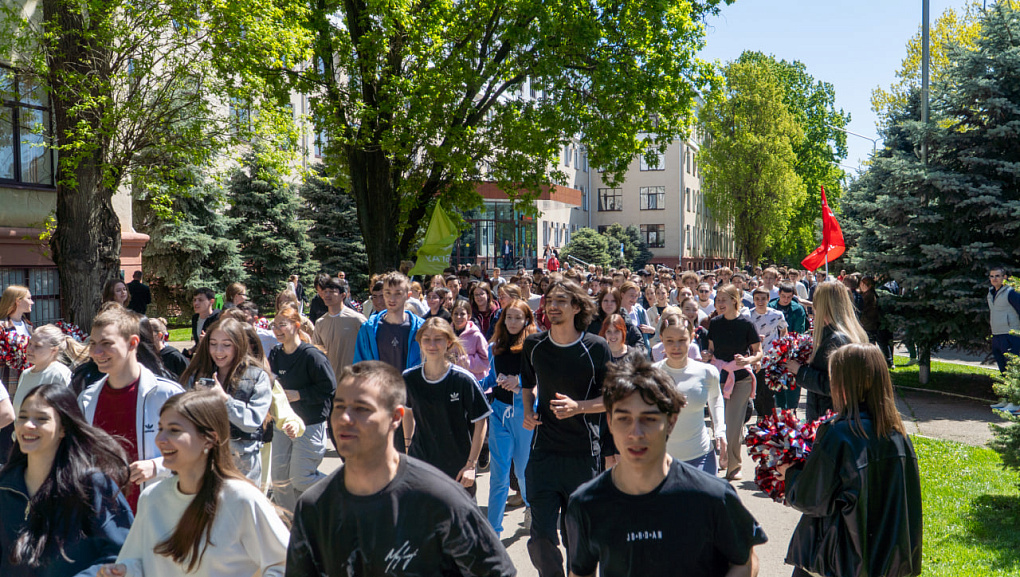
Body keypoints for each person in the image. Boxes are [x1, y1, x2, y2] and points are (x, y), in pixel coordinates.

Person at [286, 361, 515, 575]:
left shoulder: (439, 497)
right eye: (339, 406)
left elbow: (497, 571)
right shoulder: (314, 506)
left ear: (396, 417)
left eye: (362, 408)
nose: (345, 418)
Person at [565, 354, 766, 577]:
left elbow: (745, 561)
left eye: (649, 419)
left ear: (670, 421)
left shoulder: (712, 495)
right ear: (610, 423)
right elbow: (581, 573)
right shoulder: (586, 503)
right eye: (624, 419)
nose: (635, 433)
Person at [99, 390, 289, 577]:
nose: (160, 439)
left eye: (174, 430)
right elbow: (139, 561)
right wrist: (123, 571)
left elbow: (287, 564)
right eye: (160, 429)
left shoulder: (242, 499)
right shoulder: (152, 498)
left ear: (209, 439)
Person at [778, 344, 922, 577]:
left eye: (834, 378)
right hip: (886, 563)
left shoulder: (838, 434)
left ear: (846, 384)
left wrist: (790, 475)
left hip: (839, 562)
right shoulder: (898, 435)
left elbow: (811, 499)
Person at [522, 279, 612, 577]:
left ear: (577, 306)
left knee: (579, 539)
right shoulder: (534, 345)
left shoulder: (596, 348)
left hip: (583, 455)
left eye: (561, 301)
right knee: (540, 538)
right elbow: (528, 383)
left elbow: (612, 399)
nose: (553, 306)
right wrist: (527, 410)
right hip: (543, 454)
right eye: (549, 300)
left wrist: (580, 407)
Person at [0, 385, 134, 577]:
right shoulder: (5, 486)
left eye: (41, 419)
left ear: (63, 428)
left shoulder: (92, 486)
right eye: (22, 417)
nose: (28, 425)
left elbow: (122, 553)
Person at [79, 307, 185, 511]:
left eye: (107, 344)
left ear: (133, 343)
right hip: (104, 520)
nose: (97, 352)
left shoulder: (166, 394)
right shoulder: (87, 398)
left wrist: (157, 467)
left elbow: (198, 451)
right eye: (93, 344)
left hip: (157, 516)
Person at [402, 318, 491, 497]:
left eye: (438, 339)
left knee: (459, 524)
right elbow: (407, 413)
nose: (432, 345)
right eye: (426, 339)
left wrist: (471, 465)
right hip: (421, 464)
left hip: (457, 467)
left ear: (449, 343)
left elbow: (480, 422)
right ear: (419, 342)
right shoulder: (409, 378)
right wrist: (407, 448)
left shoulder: (463, 380)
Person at [179, 318, 272, 482]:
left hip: (242, 463)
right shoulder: (197, 375)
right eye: (213, 344)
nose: (218, 351)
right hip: (204, 459)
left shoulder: (257, 376)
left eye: (226, 345)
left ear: (239, 345)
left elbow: (252, 421)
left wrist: (224, 400)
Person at [268, 305, 336, 511]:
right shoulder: (275, 354)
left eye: (283, 325)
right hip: (282, 426)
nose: (277, 330)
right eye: (274, 325)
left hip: (310, 424)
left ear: (297, 326)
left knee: (300, 478)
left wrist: (299, 395)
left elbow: (330, 388)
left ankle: (345, 490)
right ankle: (291, 522)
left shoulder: (312, 356)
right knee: (280, 481)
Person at [482, 299, 537, 536]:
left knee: (524, 471)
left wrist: (520, 383)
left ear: (527, 320)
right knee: (499, 474)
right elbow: (489, 380)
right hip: (498, 415)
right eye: (509, 317)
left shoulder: (534, 346)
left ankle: (532, 506)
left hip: (523, 415)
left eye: (518, 317)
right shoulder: (494, 346)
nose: (513, 322)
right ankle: (493, 531)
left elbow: (542, 380)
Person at [701, 284, 762, 481]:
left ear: (734, 301)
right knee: (719, 423)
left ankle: (734, 466)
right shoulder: (715, 323)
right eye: (717, 300)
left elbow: (758, 352)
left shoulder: (746, 324)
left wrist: (748, 360)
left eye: (723, 300)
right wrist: (707, 355)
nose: (719, 304)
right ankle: (724, 456)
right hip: (718, 377)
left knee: (734, 424)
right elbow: (711, 349)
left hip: (740, 379)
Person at [786, 282, 869, 421]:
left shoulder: (837, 340)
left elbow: (835, 385)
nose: (813, 307)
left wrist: (800, 371)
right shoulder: (838, 335)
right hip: (830, 415)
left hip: (831, 418)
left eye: (816, 302)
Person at [654, 314, 726, 475]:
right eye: (670, 340)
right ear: (661, 339)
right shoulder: (652, 374)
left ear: (692, 338)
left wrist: (720, 430)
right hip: (661, 459)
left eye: (682, 340)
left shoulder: (707, 372)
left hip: (701, 456)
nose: (676, 346)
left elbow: (715, 399)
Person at [313, 275, 367, 383]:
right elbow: (317, 353)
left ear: (343, 295)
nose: (327, 295)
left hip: (353, 380)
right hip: (329, 381)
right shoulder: (320, 323)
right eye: (325, 292)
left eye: (332, 292)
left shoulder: (357, 320)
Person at [12, 324, 74, 413]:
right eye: (30, 343)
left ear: (54, 350)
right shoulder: (25, 374)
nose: (30, 349)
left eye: (37, 346)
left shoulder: (59, 374)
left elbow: (68, 413)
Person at [749, 288, 789, 416]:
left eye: (763, 299)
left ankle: (768, 418)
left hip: (771, 358)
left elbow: (784, 330)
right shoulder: (748, 316)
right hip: (754, 358)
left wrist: (782, 345)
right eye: (757, 299)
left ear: (768, 299)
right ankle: (761, 414)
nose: (760, 302)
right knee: (757, 391)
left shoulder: (777, 315)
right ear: (753, 300)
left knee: (768, 392)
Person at [987, 266, 1020, 374]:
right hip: (997, 336)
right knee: (1003, 370)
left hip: (1010, 335)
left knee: (1013, 370)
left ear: (1004, 277)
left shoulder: (1011, 292)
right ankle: (1006, 391)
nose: (994, 279)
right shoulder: (990, 293)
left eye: (997, 276)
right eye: (992, 276)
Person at [451, 299, 490, 381]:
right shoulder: (446, 335)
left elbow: (487, 362)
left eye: (462, 314)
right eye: (456, 314)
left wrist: (463, 360)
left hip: (473, 382)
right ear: (451, 316)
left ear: (468, 316)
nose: (458, 317)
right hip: (452, 380)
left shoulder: (476, 336)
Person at [188, 288, 220, 357]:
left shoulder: (218, 318)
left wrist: (208, 340)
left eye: (200, 300)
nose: (196, 303)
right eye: (194, 300)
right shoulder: (195, 318)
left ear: (211, 301)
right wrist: (192, 350)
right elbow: (198, 343)